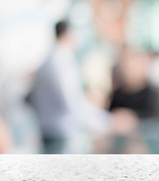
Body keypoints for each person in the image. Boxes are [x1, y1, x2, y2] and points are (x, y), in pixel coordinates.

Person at [28, 20, 108, 154]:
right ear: (68, 34)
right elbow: (71, 101)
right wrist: (102, 121)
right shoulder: (62, 63)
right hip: (61, 132)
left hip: (47, 128)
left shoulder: (48, 60)